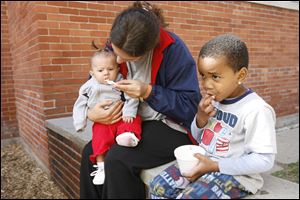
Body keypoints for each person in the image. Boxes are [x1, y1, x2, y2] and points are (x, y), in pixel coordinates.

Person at [79, 1, 201, 199]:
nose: (117, 62)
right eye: (115, 52)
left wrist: (148, 92)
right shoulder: (118, 41)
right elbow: (95, 82)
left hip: (171, 125)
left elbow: (189, 107)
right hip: (132, 120)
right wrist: (91, 112)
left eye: (127, 58)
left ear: (147, 50)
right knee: (90, 153)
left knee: (118, 159)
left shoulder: (173, 50)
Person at [149, 34, 277, 199]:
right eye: (203, 76)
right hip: (205, 163)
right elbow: (198, 137)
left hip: (236, 175)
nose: (206, 85)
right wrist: (201, 119)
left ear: (241, 75)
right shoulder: (215, 100)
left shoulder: (256, 109)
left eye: (215, 77)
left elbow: (264, 160)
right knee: (157, 186)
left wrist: (216, 165)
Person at [73, 45, 142, 185]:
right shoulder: (88, 86)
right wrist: (80, 122)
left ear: (117, 69)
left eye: (110, 69)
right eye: (100, 70)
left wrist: (128, 112)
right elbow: (80, 104)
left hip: (122, 115)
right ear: (92, 73)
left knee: (133, 120)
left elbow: (132, 97)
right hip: (102, 121)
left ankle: (128, 136)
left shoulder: (121, 81)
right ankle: (101, 167)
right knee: (99, 138)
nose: (106, 73)